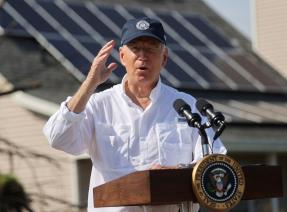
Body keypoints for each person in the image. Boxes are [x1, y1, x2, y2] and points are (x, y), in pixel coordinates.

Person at [43, 17, 227, 212]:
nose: (142, 56)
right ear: (122, 56)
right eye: (135, 48)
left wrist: (179, 171)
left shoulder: (187, 106)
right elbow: (58, 138)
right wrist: (90, 83)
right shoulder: (99, 104)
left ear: (164, 58)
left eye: (151, 48)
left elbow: (216, 161)